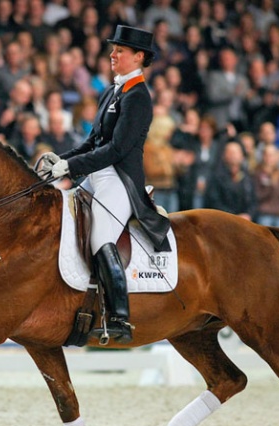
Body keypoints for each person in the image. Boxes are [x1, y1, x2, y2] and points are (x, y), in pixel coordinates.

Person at [38, 26, 170, 343]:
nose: (113, 54)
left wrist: (70, 167)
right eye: (113, 49)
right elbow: (92, 142)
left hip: (120, 180)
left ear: (139, 56)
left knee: (100, 237)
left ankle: (119, 316)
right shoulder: (112, 92)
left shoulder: (138, 97)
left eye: (120, 50)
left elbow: (116, 150)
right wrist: (59, 161)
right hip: (96, 175)